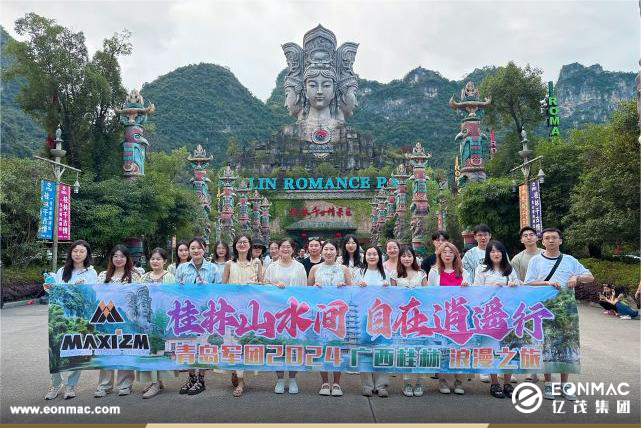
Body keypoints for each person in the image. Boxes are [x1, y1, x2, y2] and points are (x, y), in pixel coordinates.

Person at [525, 228, 594, 401]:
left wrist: (576, 278)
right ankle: (548, 383)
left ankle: (565, 385)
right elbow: (528, 283)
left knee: (567, 344)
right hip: (544, 308)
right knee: (546, 345)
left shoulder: (570, 260)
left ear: (560, 241)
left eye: (554, 238)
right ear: (542, 242)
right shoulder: (535, 261)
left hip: (567, 310)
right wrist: (546, 283)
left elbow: (590, 277)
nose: (551, 241)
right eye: (547, 238)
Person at [45, 240, 98, 400]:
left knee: (76, 350)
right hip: (60, 314)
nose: (78, 254)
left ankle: (70, 386)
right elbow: (55, 292)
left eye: (82, 251)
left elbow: (93, 295)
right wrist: (48, 288)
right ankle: (55, 384)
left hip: (80, 316)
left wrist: (83, 288)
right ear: (70, 252)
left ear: (87, 254)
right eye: (75, 251)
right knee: (55, 350)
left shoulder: (91, 273)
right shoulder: (62, 271)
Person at [473, 240, 520, 399]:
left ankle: (507, 383)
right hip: (489, 315)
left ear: (503, 253)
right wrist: (490, 287)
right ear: (488, 254)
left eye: (499, 251)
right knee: (491, 348)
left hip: (508, 314)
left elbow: (519, 287)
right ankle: (494, 382)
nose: (496, 254)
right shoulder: (482, 269)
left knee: (508, 347)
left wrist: (514, 285)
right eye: (492, 251)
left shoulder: (510, 269)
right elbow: (475, 291)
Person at [175, 237, 222, 396]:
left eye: (199, 247)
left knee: (203, 345)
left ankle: (201, 379)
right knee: (188, 344)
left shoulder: (213, 268)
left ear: (204, 249)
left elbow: (220, 291)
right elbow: (175, 291)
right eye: (192, 248)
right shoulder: (182, 268)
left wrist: (208, 286)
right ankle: (191, 378)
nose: (195, 250)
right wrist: (181, 288)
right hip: (187, 312)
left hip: (205, 312)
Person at [95, 244, 141, 398]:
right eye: (115, 256)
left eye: (122, 256)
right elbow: (97, 294)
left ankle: (125, 384)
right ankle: (104, 385)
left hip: (126, 319)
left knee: (125, 349)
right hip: (106, 318)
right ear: (111, 258)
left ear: (127, 258)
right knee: (106, 350)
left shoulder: (134, 276)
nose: (118, 259)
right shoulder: (103, 276)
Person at [264, 238, 308, 394]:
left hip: (295, 312)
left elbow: (304, 289)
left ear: (293, 249)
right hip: (276, 312)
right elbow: (265, 285)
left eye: (288, 247)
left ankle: (293, 378)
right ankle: (280, 379)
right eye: (282, 246)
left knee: (294, 346)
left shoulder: (299, 267)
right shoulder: (272, 267)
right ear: (278, 249)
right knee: (278, 345)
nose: (285, 249)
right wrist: (274, 286)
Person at [308, 240, 352, 397]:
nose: (328, 252)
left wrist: (344, 287)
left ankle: (337, 383)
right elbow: (307, 291)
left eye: (331, 249)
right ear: (322, 251)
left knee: (337, 348)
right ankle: (325, 382)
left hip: (339, 315)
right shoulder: (315, 268)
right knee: (322, 347)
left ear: (337, 251)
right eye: (326, 249)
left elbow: (352, 291)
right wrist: (314, 288)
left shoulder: (343, 269)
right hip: (320, 315)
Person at [222, 234, 264, 397]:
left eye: (245, 242)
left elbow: (262, 285)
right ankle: (237, 374)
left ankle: (241, 378)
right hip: (232, 310)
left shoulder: (256, 263)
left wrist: (254, 285)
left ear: (250, 245)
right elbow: (222, 287)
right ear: (235, 245)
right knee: (233, 343)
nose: (242, 244)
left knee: (245, 343)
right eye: (239, 242)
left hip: (249, 310)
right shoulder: (229, 264)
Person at [426, 241, 468, 395]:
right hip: (442, 317)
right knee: (442, 349)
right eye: (444, 252)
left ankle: (459, 381)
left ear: (456, 255)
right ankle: (442, 380)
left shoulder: (464, 272)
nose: (448, 255)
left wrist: (467, 287)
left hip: (460, 317)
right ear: (439, 255)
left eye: (451, 252)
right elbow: (429, 293)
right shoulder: (434, 272)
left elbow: (473, 293)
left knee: (460, 348)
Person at [137, 247, 177, 398]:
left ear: (164, 261)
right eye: (153, 259)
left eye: (158, 259)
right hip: (146, 320)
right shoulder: (143, 277)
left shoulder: (170, 277)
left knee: (159, 349)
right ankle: (155, 381)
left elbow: (173, 297)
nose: (155, 261)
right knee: (148, 350)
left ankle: (156, 383)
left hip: (162, 319)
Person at [353, 245, 390, 397]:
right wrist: (358, 286)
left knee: (383, 349)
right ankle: (367, 385)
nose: (372, 256)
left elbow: (393, 295)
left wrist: (388, 286)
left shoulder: (386, 272)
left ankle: (381, 385)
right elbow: (351, 293)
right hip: (364, 316)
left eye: (375, 254)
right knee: (365, 349)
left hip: (382, 317)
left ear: (379, 256)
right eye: (369, 254)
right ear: (365, 256)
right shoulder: (359, 272)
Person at [510, 226, 543, 384]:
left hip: (543, 300)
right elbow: (514, 279)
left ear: (537, 237)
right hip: (525, 301)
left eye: (531, 234)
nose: (529, 237)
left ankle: (537, 370)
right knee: (527, 335)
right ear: (521, 240)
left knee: (541, 335)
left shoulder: (545, 254)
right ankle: (528, 369)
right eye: (525, 235)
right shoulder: (517, 259)